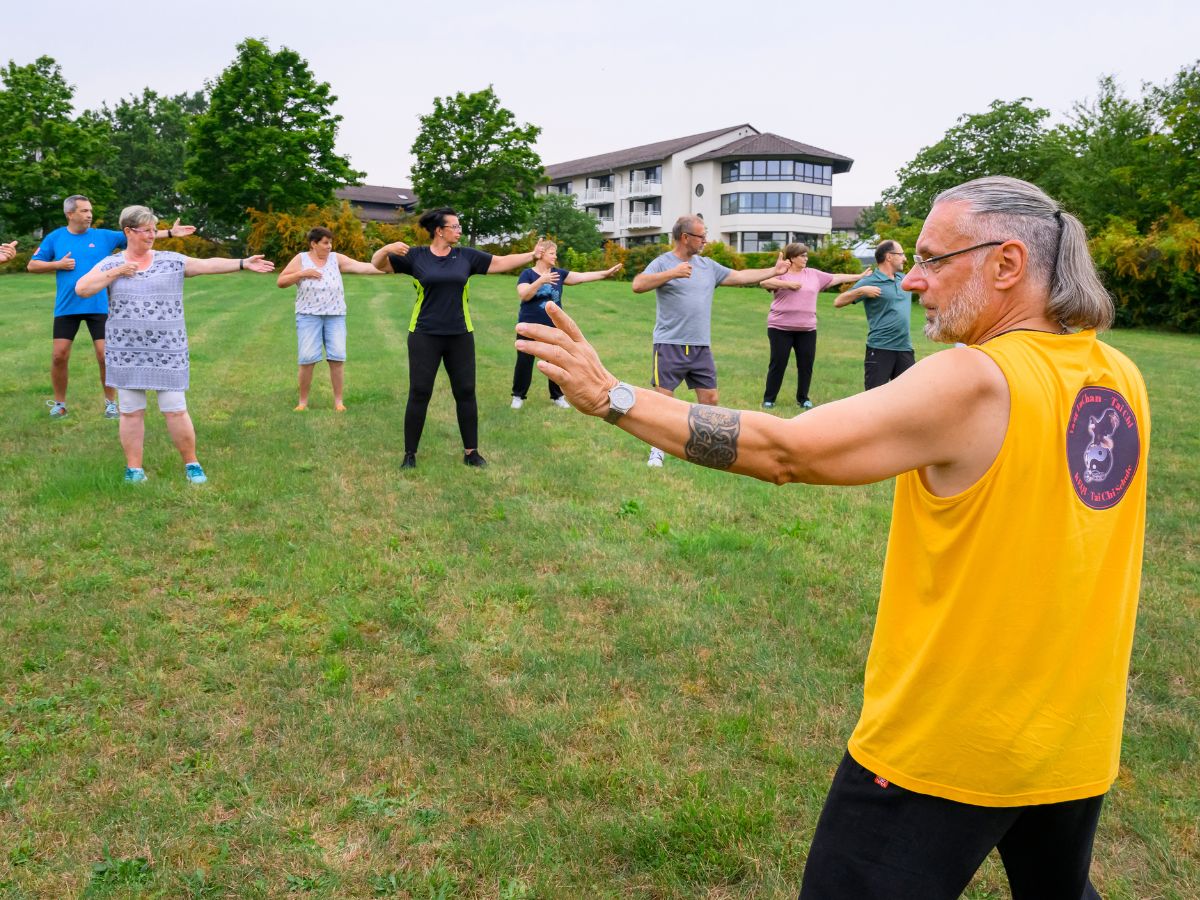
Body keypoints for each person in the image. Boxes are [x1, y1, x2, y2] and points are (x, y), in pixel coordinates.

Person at [515, 176, 1149, 899]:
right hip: (1072, 735)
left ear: (1006, 265)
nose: (912, 279)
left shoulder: (978, 379)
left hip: (950, 742)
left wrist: (614, 398)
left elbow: (791, 452)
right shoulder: (1117, 374)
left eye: (934, 260)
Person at [75, 205, 274, 484]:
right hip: (127, 351)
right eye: (146, 231)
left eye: (155, 230)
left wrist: (242, 262)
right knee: (131, 411)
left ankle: (192, 465)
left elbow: (205, 265)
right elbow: (82, 288)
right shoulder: (112, 264)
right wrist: (117, 272)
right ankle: (134, 469)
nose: (152, 236)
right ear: (128, 232)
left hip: (167, 350)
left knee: (176, 408)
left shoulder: (170, 260)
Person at [371, 207, 552, 470]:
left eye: (459, 226)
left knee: (465, 392)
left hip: (460, 335)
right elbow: (378, 264)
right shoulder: (416, 256)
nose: (459, 231)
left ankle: (471, 452)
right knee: (420, 392)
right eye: (454, 227)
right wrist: (387, 247)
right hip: (424, 334)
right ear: (439, 231)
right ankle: (410, 454)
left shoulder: (465, 256)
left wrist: (531, 255)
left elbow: (500, 262)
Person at [630, 215, 788, 466]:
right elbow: (637, 285)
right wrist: (672, 273)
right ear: (685, 237)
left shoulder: (708, 266)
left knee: (711, 399)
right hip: (670, 343)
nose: (705, 240)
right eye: (701, 236)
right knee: (664, 401)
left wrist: (773, 271)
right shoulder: (663, 263)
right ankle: (657, 451)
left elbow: (739, 275)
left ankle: (708, 448)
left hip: (700, 345)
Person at [28, 194, 196, 419]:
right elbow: (32, 265)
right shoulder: (55, 238)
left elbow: (137, 233)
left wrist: (170, 233)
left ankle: (110, 404)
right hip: (67, 306)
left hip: (99, 306)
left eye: (90, 210)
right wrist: (57, 264)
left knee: (104, 355)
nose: (89, 215)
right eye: (84, 211)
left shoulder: (104, 236)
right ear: (70, 214)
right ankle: (59, 403)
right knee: (59, 355)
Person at [275, 226, 388, 411]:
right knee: (307, 359)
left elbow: (362, 267)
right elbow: (281, 281)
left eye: (330, 242)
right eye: (325, 243)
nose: (329, 246)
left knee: (337, 358)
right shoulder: (301, 259)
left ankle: (338, 402)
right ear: (314, 244)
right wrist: (302, 273)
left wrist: (389, 268)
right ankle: (302, 403)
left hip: (335, 316)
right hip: (308, 316)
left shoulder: (336, 259)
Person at [757, 243, 868, 409]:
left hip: (806, 329)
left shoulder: (813, 275)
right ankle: (769, 399)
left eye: (806, 255)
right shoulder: (781, 273)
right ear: (792, 258)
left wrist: (858, 276)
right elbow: (764, 282)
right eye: (802, 255)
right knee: (778, 363)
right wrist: (787, 285)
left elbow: (836, 277)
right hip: (780, 328)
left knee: (806, 365)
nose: (805, 258)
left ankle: (803, 399)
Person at [512, 242, 621, 409]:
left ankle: (557, 396)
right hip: (529, 326)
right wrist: (541, 281)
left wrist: (605, 273)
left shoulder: (559, 274)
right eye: (552, 253)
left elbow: (583, 276)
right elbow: (524, 295)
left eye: (555, 253)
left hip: (553, 328)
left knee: (557, 360)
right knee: (524, 362)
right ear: (541, 254)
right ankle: (518, 396)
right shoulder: (527, 274)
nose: (555, 256)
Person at [834, 239, 915, 390]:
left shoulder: (904, 280)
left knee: (909, 396)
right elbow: (838, 302)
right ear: (889, 257)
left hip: (905, 348)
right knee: (874, 397)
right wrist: (861, 291)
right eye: (901, 254)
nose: (904, 258)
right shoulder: (870, 281)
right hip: (880, 348)